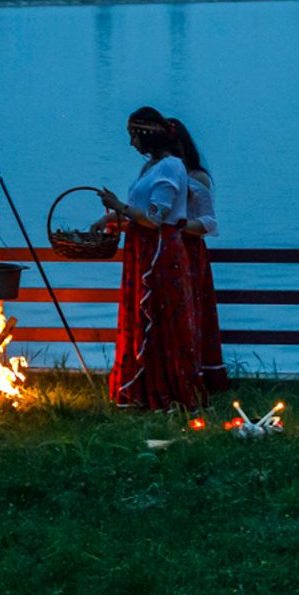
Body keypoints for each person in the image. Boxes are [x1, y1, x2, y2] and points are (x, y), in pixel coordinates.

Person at [97, 107, 202, 411]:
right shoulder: (151, 167)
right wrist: (111, 218)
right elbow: (139, 210)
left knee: (160, 316)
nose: (131, 144)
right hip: (141, 245)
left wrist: (118, 204)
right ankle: (142, 386)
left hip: (159, 250)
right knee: (141, 315)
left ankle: (166, 389)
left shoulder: (171, 167)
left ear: (147, 137)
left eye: (133, 136)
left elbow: (156, 218)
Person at [169, 117, 228, 393]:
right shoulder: (159, 175)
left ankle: (198, 372)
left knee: (191, 310)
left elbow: (209, 222)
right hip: (163, 250)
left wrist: (179, 227)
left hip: (188, 252)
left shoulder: (196, 178)